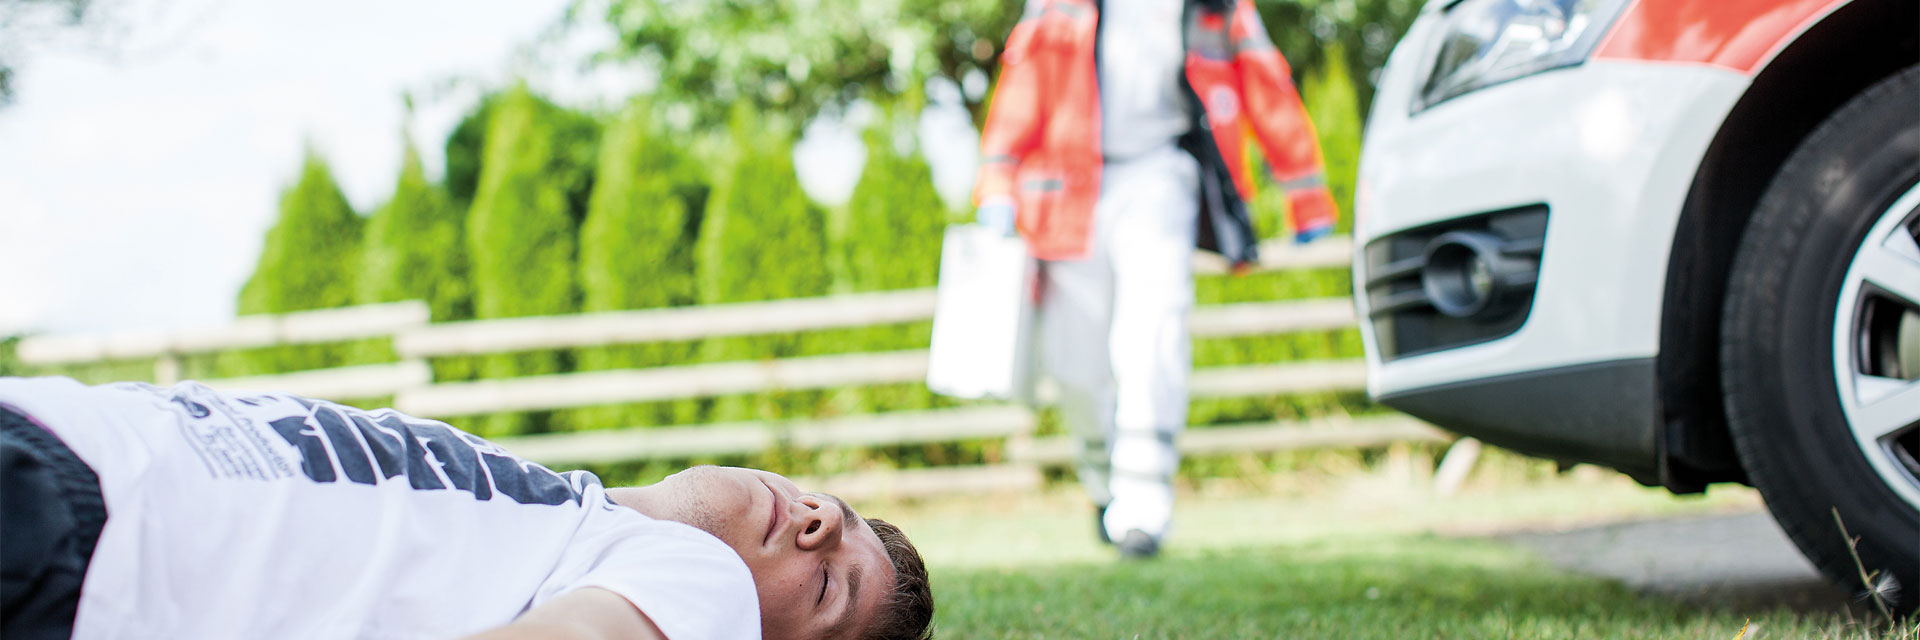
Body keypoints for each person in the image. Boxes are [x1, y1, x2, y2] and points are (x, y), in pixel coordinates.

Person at [0, 376, 934, 640]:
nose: (816, 523)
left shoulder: (691, 578)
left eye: (826, 589)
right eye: (834, 510)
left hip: (91, 548)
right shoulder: (555, 510)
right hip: (57, 428)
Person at [973, 0, 1339, 558]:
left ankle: (1144, 509)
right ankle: (1103, 485)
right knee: (1075, 366)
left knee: (1155, 334)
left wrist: (1306, 193)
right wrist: (997, 180)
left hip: (1162, 173)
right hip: (1066, 190)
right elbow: (1022, 86)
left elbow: (1266, 80)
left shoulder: (1218, 7)